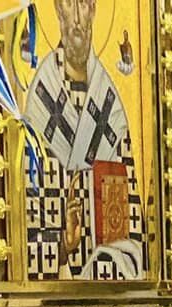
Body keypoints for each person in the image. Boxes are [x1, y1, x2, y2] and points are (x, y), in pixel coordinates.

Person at [25, 0, 144, 281]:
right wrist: (62, 245)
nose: (77, 17)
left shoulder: (112, 104)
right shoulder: (39, 100)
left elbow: (135, 225)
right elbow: (24, 223)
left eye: (85, 3)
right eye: (69, 4)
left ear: (95, 10)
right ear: (56, 9)